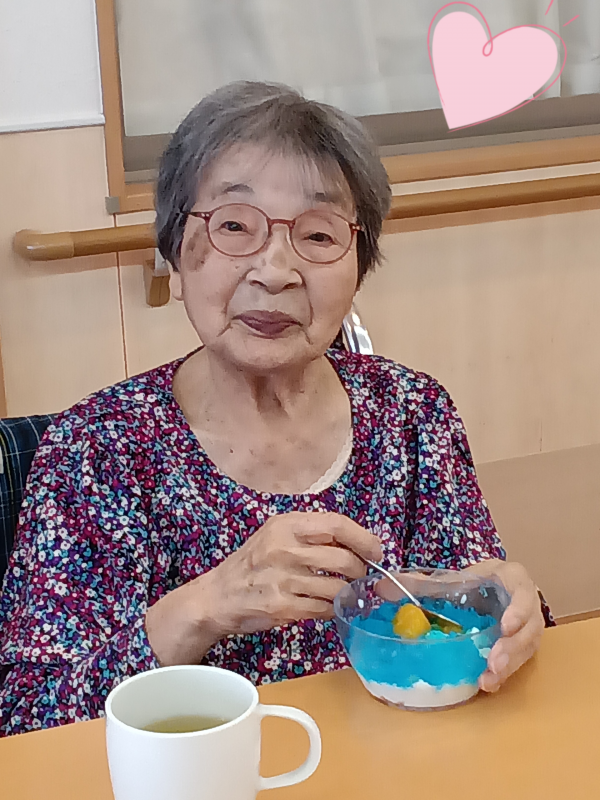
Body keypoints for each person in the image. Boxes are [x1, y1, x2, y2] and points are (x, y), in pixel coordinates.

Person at [0, 81, 548, 736]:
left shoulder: (410, 411)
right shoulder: (98, 447)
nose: (276, 269)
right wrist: (209, 604)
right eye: (234, 225)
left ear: (358, 267)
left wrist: (512, 613)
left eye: (317, 235)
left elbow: (475, 616)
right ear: (173, 253)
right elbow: (28, 717)